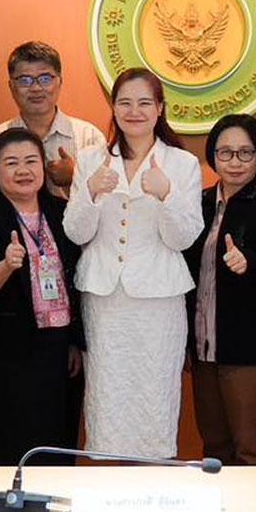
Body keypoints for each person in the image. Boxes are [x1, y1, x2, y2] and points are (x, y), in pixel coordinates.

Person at [63, 68, 203, 459]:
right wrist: (90, 193)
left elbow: (183, 238)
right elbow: (76, 232)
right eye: (124, 102)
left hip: (159, 302)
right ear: (113, 108)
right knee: (108, 397)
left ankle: (154, 479)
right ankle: (111, 481)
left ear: (160, 109)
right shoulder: (91, 160)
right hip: (105, 302)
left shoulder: (182, 163)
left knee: (154, 397)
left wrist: (167, 194)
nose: (134, 111)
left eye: (144, 103)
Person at [0, 128, 84, 464]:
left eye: (31, 161)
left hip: (57, 346)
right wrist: (6, 266)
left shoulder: (62, 212)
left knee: (56, 436)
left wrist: (74, 341)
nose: (23, 170)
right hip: (7, 349)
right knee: (10, 439)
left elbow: (76, 281)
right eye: (11, 163)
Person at [183, 113, 256, 466]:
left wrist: (249, 263)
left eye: (245, 153)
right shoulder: (197, 203)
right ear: (213, 156)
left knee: (251, 448)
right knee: (214, 449)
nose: (235, 162)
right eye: (225, 152)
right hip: (203, 348)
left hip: (250, 350)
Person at [0, 41, 107, 199]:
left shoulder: (89, 137)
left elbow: (110, 202)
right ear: (11, 86)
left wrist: (76, 176)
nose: (36, 88)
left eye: (45, 79)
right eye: (25, 80)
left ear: (59, 81)